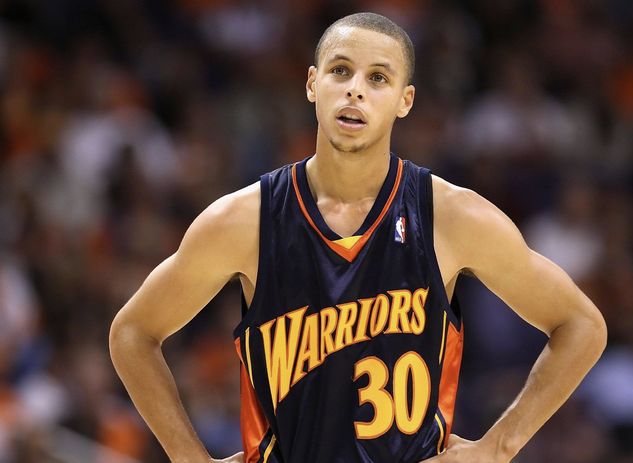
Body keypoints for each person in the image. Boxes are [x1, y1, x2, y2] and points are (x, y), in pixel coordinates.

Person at [109, 12, 607, 463]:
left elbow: (581, 325)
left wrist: (498, 448)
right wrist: (188, 458)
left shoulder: (451, 216)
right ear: (312, 84)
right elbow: (132, 334)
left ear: (405, 101)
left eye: (378, 78)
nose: (355, 91)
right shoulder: (245, 220)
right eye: (341, 71)